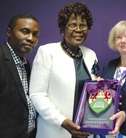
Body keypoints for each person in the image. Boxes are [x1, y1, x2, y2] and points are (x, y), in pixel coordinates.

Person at [29, 2, 98, 138]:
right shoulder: (47, 52)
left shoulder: (91, 55)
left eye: (83, 26)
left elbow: (91, 93)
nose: (78, 30)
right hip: (56, 131)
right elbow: (37, 95)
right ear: (62, 29)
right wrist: (63, 122)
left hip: (85, 133)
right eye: (72, 25)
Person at [0, 13, 40, 138]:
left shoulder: (25, 63)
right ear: (9, 32)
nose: (31, 38)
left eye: (35, 34)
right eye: (25, 31)